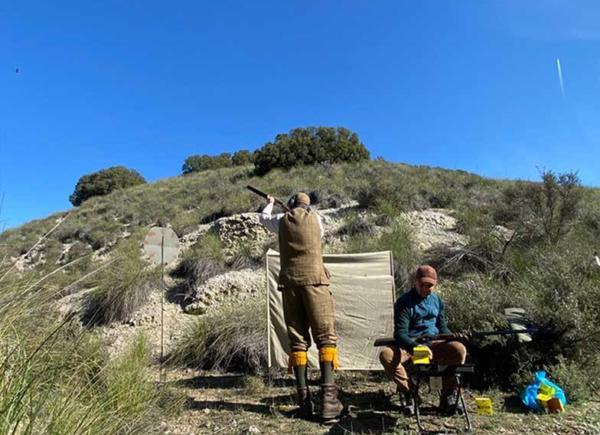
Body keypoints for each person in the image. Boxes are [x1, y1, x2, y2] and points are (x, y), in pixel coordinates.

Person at [260, 192, 343, 421]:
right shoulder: (317, 219)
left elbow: (263, 219)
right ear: (308, 206)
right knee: (325, 337)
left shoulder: (280, 221)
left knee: (297, 341)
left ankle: (304, 403)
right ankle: (329, 402)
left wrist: (270, 204)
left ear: (290, 204)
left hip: (290, 285)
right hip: (316, 281)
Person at [379, 265, 467, 415]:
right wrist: (415, 348)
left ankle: (448, 396)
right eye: (423, 284)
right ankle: (409, 392)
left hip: (434, 345)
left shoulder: (437, 301)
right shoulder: (404, 302)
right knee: (386, 355)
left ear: (435, 284)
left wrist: (452, 336)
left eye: (430, 285)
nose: (427, 288)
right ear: (416, 282)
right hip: (413, 347)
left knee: (459, 350)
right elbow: (400, 334)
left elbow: (443, 328)